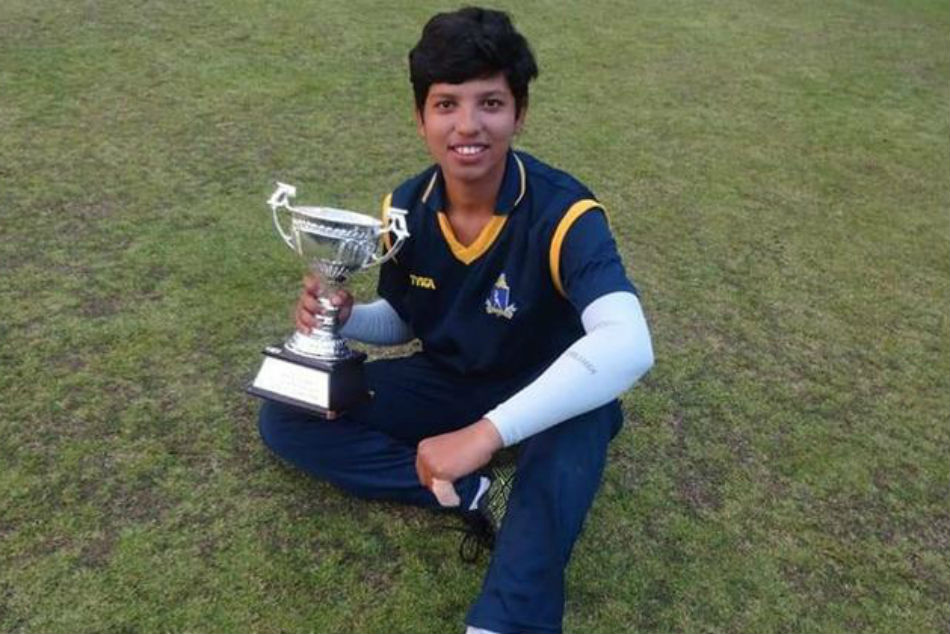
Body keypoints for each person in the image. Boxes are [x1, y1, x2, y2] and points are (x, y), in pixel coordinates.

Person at [258, 7, 654, 633]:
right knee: (288, 413)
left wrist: (487, 434)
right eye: (446, 104)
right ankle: (478, 495)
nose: (468, 125)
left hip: (551, 394)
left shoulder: (565, 213)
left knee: (564, 455)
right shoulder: (404, 206)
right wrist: (347, 317)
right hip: (446, 381)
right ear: (421, 118)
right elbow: (406, 318)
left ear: (519, 113)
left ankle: (503, 620)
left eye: (490, 103)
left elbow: (629, 345)